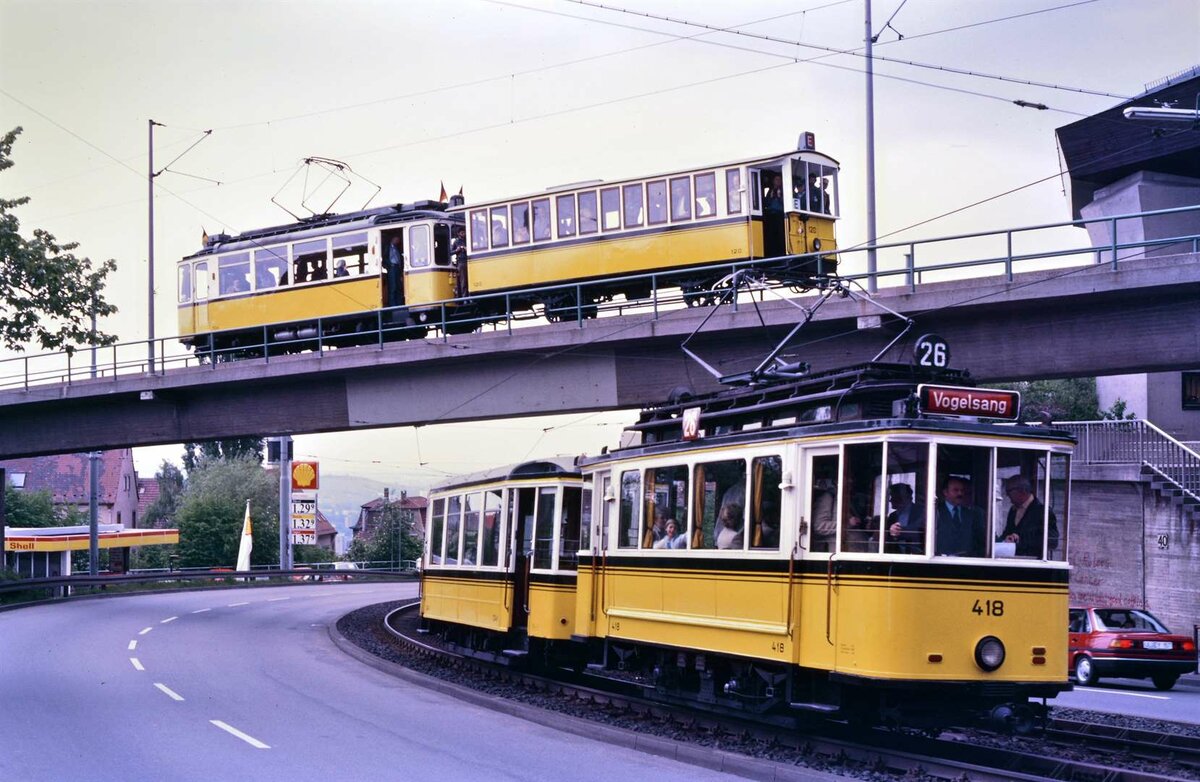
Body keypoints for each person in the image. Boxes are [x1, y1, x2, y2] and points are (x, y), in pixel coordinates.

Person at [999, 475, 1058, 557]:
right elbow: (1008, 533)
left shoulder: (1043, 511)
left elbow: (1052, 541)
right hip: (1012, 563)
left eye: (1009, 491)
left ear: (1022, 491)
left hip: (1034, 565)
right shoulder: (1013, 510)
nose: (1007, 495)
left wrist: (1020, 540)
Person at [934, 476, 986, 557]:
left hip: (967, 563)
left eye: (962, 490)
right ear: (945, 492)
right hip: (941, 563)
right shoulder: (935, 512)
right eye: (956, 490)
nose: (960, 493)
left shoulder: (971, 514)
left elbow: (981, 539)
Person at [885, 483, 925, 554]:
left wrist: (898, 532)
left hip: (917, 558)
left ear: (903, 497)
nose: (890, 500)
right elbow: (888, 540)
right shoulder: (892, 516)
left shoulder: (921, 512)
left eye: (892, 496)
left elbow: (919, 532)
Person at [385, 235, 403, 307]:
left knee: (399, 286)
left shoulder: (397, 248)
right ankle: (392, 305)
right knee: (393, 286)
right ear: (393, 239)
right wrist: (390, 265)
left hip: (398, 268)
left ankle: (398, 303)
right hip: (392, 268)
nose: (398, 241)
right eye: (397, 239)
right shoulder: (387, 247)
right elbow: (384, 258)